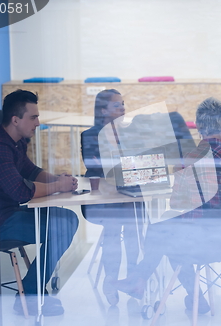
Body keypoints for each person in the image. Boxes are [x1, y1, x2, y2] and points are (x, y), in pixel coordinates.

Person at [116, 97, 221, 313]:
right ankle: (189, 297)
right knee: (168, 235)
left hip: (196, 243)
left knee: (161, 232)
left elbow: (177, 203)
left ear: (198, 127)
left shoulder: (187, 162)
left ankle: (152, 282)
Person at [0, 90, 79, 316]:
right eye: (33, 117)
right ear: (15, 120)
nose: (38, 123)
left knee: (66, 220)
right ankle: (30, 296)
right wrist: (58, 187)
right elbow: (20, 191)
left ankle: (32, 292)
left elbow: (30, 171)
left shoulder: (15, 142)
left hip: (7, 214)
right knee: (64, 224)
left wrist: (56, 179)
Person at [80, 89, 141, 306]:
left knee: (134, 219)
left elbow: (137, 166)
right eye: (117, 105)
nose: (123, 108)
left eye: (123, 103)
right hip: (103, 199)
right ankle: (112, 279)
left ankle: (133, 277)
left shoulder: (130, 133)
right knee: (119, 222)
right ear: (103, 110)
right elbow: (95, 167)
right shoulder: (89, 135)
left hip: (129, 194)